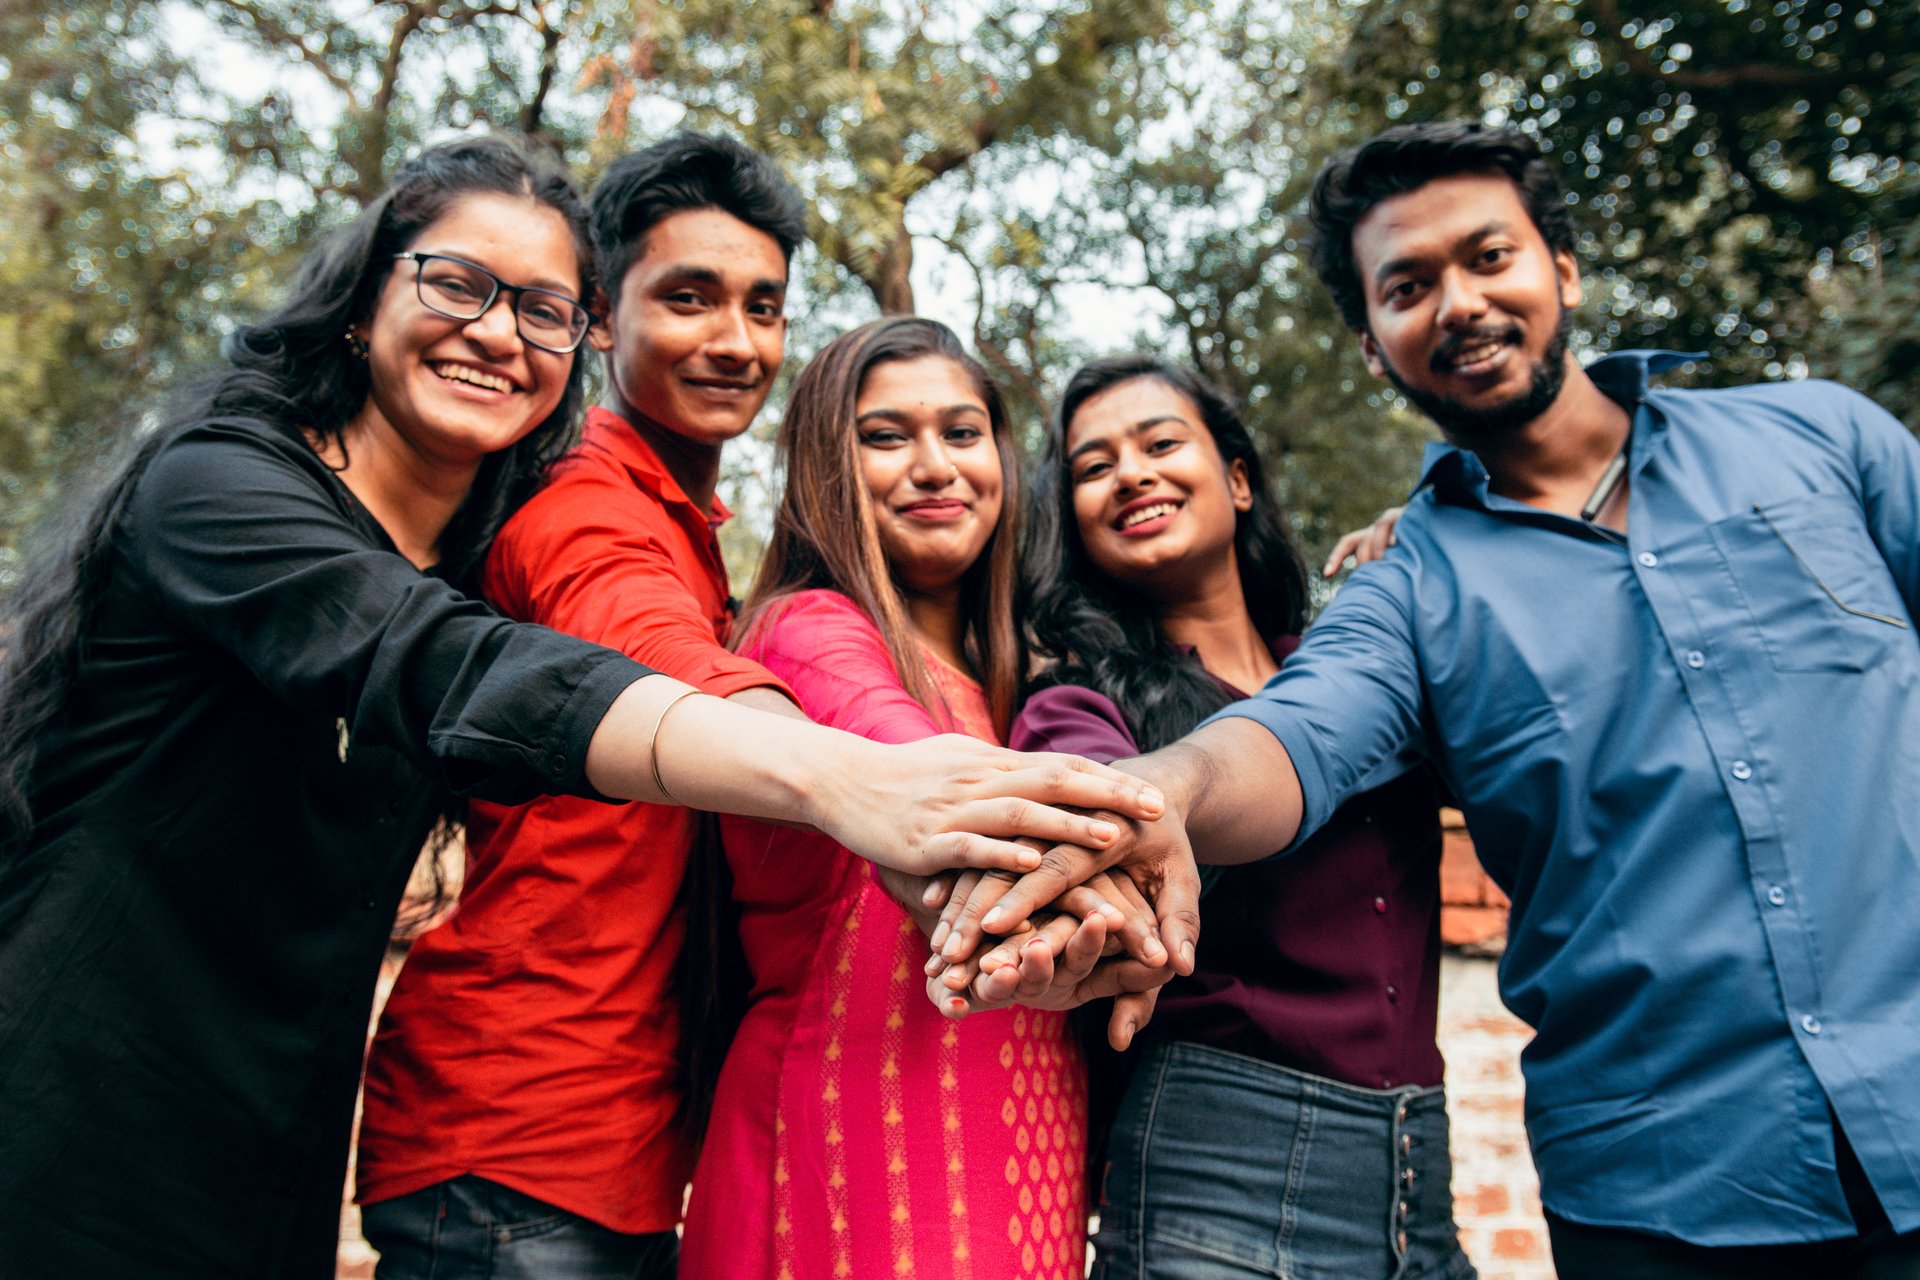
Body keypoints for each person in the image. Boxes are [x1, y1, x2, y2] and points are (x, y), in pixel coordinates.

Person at [0, 138, 1165, 1280]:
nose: (499, 330)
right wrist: (852, 776)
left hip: (291, 1130)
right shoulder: (254, 487)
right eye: (458, 284)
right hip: (108, 1108)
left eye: (541, 308)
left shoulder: (505, 537)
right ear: (364, 299)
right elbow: (504, 658)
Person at [956, 121, 1920, 1280]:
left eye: (1488, 256)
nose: (1457, 301)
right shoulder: (1410, 592)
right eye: (1409, 286)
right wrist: (1158, 791)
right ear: (1373, 343)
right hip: (1671, 1195)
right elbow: (1291, 737)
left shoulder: (1823, 440)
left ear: (1561, 267)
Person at [355, 131, 808, 1280]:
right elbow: (643, 642)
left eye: (764, 307)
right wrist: (865, 778)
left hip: (608, 1139)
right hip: (519, 1127)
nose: (734, 340)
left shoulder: (687, 527)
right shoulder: (577, 495)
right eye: (690, 298)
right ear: (602, 317)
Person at [679, 318, 1148, 1280]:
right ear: (824, 466)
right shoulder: (805, 631)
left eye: (963, 434)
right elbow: (941, 783)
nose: (936, 467)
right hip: (851, 1145)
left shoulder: (1019, 672)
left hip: (1027, 1148)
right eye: (886, 437)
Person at [1010, 354, 1473, 1280]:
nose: (1131, 473)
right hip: (1217, 1177)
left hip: (1418, 1173)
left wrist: (1432, 545)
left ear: (1240, 479)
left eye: (1159, 443)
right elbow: (1099, 825)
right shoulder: (1075, 701)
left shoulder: (1359, 673)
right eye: (1094, 467)